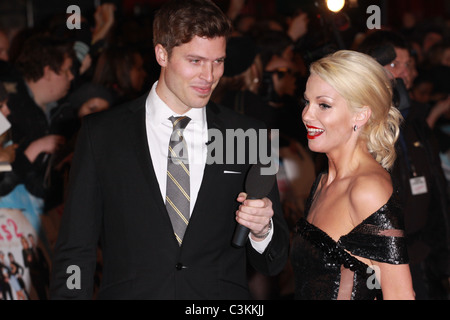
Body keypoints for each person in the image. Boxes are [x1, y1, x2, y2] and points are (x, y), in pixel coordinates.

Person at [50, 0, 289, 300]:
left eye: (218, 61)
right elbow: (75, 248)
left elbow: (274, 261)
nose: (209, 76)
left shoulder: (249, 134)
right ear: (162, 54)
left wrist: (261, 230)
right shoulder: (102, 133)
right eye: (195, 61)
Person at [290, 50, 415, 300]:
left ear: (360, 115)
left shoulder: (367, 189)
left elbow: (401, 295)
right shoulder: (323, 181)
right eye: (307, 102)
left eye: (323, 105)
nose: (306, 115)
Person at [359, 30, 450, 300]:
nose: (406, 73)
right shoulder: (360, 128)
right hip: (379, 262)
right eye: (396, 65)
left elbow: (439, 194)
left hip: (424, 253)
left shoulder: (419, 122)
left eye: (409, 65)